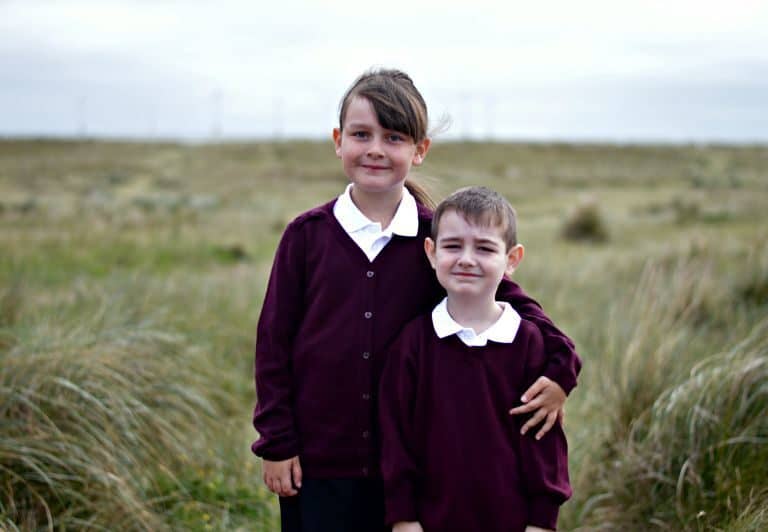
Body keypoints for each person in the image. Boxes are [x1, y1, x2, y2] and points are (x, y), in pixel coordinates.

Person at [251, 68, 580, 532]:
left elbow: (515, 305)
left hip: (413, 469)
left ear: (419, 150)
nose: (376, 150)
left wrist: (562, 370)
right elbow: (273, 345)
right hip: (319, 463)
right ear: (337, 140)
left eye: (395, 137)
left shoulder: (439, 241)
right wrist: (277, 442)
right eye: (361, 134)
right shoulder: (307, 237)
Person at [379, 186, 572, 532]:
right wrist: (404, 517)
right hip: (429, 522)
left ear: (512, 259)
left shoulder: (529, 345)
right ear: (431, 252)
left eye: (484, 248)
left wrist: (542, 521)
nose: (467, 259)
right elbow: (395, 438)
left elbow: (544, 438)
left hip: (512, 521)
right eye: (453, 246)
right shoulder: (411, 345)